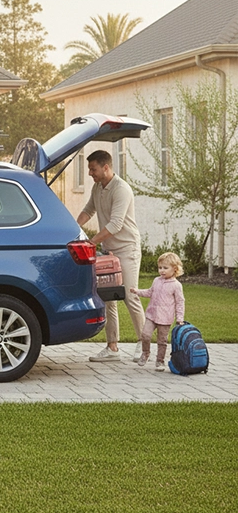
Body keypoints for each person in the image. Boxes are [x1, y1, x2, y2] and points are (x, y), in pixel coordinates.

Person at [76, 150, 146, 363]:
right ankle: (112, 347)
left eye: (93, 169)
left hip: (127, 249)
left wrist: (91, 242)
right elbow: (88, 211)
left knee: (130, 296)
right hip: (109, 250)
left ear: (105, 167)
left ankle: (144, 346)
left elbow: (115, 225)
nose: (90, 173)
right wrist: (72, 228)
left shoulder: (121, 189)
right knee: (108, 299)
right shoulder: (98, 187)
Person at [130, 252, 185, 372]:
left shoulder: (176, 285)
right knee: (145, 335)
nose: (162, 270)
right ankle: (145, 353)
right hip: (152, 315)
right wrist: (137, 292)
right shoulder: (156, 280)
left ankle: (160, 361)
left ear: (175, 269)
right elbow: (150, 292)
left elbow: (180, 302)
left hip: (165, 318)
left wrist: (180, 318)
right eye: (160, 268)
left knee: (162, 340)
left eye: (165, 268)